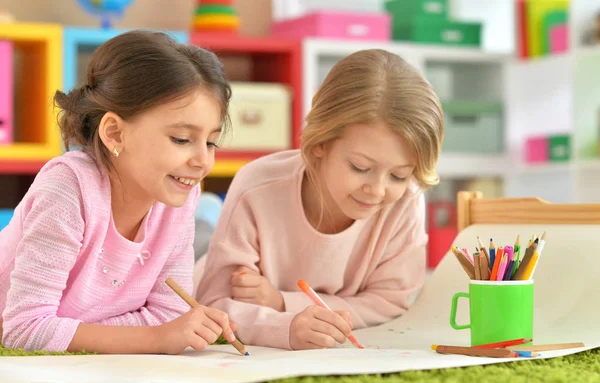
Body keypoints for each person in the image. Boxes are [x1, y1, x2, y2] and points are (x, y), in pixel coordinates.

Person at [0, 30, 238, 354]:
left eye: (211, 142)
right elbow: (24, 330)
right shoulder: (68, 191)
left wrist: (166, 329)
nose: (202, 161)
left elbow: (169, 314)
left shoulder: (179, 198)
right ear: (114, 133)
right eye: (182, 139)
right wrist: (156, 338)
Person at [194, 49, 444, 350]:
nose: (378, 190)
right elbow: (214, 303)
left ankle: (209, 212)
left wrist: (283, 302)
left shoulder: (405, 201)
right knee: (196, 238)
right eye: (360, 168)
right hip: (200, 259)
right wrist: (284, 328)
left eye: (399, 175)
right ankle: (205, 212)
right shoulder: (256, 186)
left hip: (272, 288)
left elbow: (389, 302)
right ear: (320, 145)